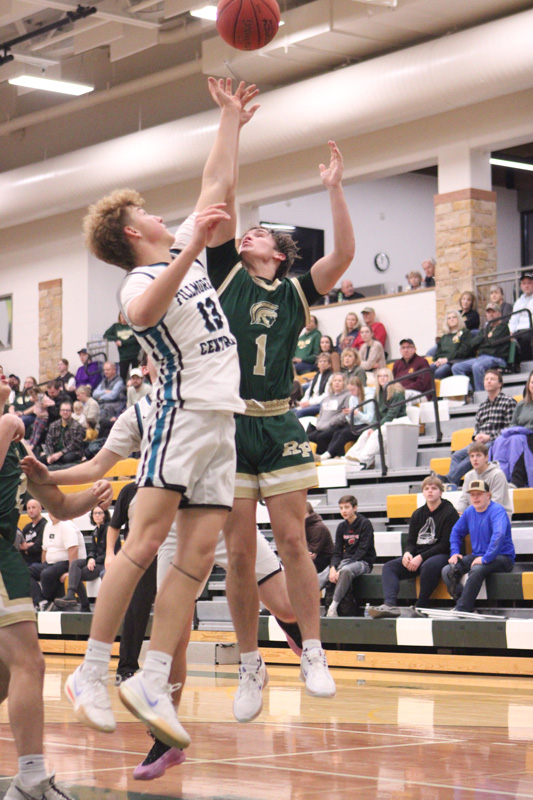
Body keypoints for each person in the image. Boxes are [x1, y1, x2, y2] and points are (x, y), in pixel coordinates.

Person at [60, 80, 258, 750]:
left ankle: (149, 675)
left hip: (220, 421)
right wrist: (194, 248)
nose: (165, 217)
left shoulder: (181, 256)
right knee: (143, 545)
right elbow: (140, 318)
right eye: (150, 213)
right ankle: (89, 671)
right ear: (131, 230)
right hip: (181, 414)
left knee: (197, 558)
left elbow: (216, 184)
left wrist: (229, 120)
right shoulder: (141, 278)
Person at [24, 355, 304, 780]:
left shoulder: (213, 386)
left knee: (284, 605)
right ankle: (166, 738)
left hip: (222, 511)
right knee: (173, 637)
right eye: (155, 358)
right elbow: (99, 464)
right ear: (149, 366)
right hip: (174, 522)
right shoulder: (139, 412)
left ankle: (279, 642)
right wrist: (52, 476)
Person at [201, 79, 354, 718]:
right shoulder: (225, 273)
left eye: (259, 233)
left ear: (278, 252)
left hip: (280, 420)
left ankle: (313, 650)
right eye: (246, 231)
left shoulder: (293, 291)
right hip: (231, 425)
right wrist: (232, 123)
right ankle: (249, 664)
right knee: (239, 551)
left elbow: (343, 254)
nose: (247, 234)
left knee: (292, 540)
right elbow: (221, 193)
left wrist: (335, 189)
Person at [0, 370, 112, 800]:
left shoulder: (17, 442)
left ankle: (27, 780)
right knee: (30, 664)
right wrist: (7, 425)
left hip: (4, 556)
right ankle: (30, 778)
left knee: (7, 675)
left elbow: (60, 506)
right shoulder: (9, 428)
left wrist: (96, 494)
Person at [368, 475, 459, 618]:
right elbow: (411, 541)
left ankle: (421, 606)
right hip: (419, 555)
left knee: (427, 565)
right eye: (426, 488)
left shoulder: (449, 512)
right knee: (389, 567)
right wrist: (408, 553)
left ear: (441, 492)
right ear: (423, 492)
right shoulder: (418, 514)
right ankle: (390, 605)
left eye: (434, 488)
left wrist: (421, 557)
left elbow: (445, 544)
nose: (430, 491)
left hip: (441, 555)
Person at [442, 480, 515, 612]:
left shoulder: (497, 511)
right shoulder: (469, 511)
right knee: (448, 571)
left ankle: (462, 608)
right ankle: (464, 604)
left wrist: (485, 558)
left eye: (479, 494)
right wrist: (455, 552)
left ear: (488, 495)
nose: (475, 497)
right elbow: (456, 532)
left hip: (502, 557)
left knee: (476, 570)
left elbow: (499, 536)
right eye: (472, 494)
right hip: (478, 555)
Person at [439, 369, 516, 486]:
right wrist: (476, 436)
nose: (488, 381)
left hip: (497, 441)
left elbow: (509, 428)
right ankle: (452, 483)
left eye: (492, 379)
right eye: (486, 379)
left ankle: (449, 480)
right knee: (456, 456)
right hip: (480, 441)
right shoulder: (482, 406)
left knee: (476, 453)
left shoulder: (509, 402)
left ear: (500, 384)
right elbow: (477, 428)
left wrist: (489, 437)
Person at [318, 495, 375, 618]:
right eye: (341, 508)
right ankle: (304, 603)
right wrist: (333, 567)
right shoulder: (341, 527)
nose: (343, 511)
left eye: (347, 507)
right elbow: (337, 552)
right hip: (344, 561)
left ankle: (333, 608)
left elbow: (362, 551)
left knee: (345, 571)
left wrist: (341, 567)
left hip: (362, 562)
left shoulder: (365, 524)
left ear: (355, 508)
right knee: (325, 573)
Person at [345, 367, 406, 470]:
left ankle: (363, 459)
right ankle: (350, 457)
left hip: (397, 422)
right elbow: (376, 415)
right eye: (380, 376)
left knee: (377, 434)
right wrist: (372, 427)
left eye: (385, 376)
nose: (382, 378)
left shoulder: (397, 392)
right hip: (384, 422)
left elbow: (391, 415)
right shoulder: (378, 393)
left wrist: (376, 428)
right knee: (365, 434)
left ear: (390, 377)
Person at [54, 506, 110, 612]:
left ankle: (84, 605)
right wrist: (90, 558)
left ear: (105, 515)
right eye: (95, 513)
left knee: (76, 573)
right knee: (75, 564)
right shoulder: (95, 531)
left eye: (100, 513)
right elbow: (93, 550)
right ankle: (71, 594)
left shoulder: (109, 530)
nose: (97, 515)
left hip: (105, 563)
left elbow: (111, 552)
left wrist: (94, 560)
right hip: (96, 561)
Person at [29, 514, 86, 611]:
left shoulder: (67, 525)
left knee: (46, 574)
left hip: (67, 562)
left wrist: (71, 571)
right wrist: (44, 565)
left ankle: (49, 602)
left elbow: (73, 549)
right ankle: (41, 601)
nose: (53, 514)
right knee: (25, 571)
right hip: (51, 563)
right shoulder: (48, 526)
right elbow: (44, 550)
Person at [452, 303, 510, 391]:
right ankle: (470, 392)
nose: (490, 314)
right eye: (488, 312)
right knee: (456, 367)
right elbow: (473, 343)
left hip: (496, 357)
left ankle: (481, 394)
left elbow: (492, 342)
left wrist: (483, 340)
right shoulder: (485, 329)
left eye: (493, 312)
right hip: (482, 357)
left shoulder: (503, 327)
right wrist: (485, 339)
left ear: (499, 313)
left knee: (477, 366)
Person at [319, 376, 374, 460]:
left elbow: (369, 419)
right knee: (337, 432)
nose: (351, 393)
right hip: (355, 424)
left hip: (366, 425)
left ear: (359, 388)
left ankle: (328, 454)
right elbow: (351, 420)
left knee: (344, 434)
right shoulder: (352, 398)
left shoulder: (368, 398)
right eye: (349, 390)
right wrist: (348, 414)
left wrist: (357, 413)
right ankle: (332, 455)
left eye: (353, 390)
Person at [457, 443, 512, 520]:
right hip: (475, 516)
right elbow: (464, 499)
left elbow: (496, 502)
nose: (475, 459)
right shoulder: (469, 476)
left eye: (478, 455)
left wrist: (470, 513)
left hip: (497, 517)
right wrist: (458, 512)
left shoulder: (497, 474)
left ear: (486, 458)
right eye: (472, 456)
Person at [307, 373, 350, 455]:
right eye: (335, 381)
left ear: (344, 383)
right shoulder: (327, 398)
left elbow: (345, 414)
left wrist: (331, 423)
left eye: (339, 381)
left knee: (321, 437)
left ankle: (322, 457)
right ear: (331, 383)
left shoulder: (347, 396)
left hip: (336, 426)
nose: (337, 383)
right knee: (308, 437)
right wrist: (319, 424)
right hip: (321, 426)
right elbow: (321, 413)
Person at [39, 401, 85, 466]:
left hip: (71, 452)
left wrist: (60, 453)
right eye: (63, 410)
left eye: (67, 410)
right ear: (60, 412)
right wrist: (49, 455)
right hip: (55, 453)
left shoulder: (78, 427)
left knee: (67, 458)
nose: (65, 412)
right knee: (40, 460)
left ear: (71, 412)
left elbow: (75, 445)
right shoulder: (53, 425)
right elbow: (48, 441)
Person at [431, 310, 473, 380]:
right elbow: (437, 353)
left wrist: (447, 359)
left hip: (456, 361)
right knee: (429, 369)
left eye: (454, 317)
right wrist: (438, 360)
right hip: (443, 362)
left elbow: (464, 351)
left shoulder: (465, 333)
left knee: (440, 372)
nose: (452, 319)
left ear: (459, 319)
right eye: (449, 318)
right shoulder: (444, 337)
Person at [103, 312, 141, 382]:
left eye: (124, 317)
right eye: (121, 317)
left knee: (136, 374)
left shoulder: (132, 325)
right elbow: (106, 336)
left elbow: (136, 338)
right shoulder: (116, 326)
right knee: (122, 376)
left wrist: (122, 342)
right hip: (123, 356)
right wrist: (116, 339)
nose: (123, 319)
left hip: (135, 355)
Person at [294, 352, 333, 418]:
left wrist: (309, 403)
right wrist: (302, 402)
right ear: (318, 365)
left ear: (329, 364)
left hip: (320, 404)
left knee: (299, 413)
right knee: (292, 412)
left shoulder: (331, 376)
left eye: (325, 361)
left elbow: (326, 395)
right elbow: (308, 392)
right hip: (311, 402)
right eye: (321, 361)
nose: (322, 363)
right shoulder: (317, 376)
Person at [92, 361, 126, 426]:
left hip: (115, 405)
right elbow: (94, 394)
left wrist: (100, 397)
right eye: (104, 370)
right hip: (103, 404)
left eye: (108, 370)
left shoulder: (119, 381)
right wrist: (104, 391)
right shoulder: (103, 381)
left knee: (105, 410)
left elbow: (112, 395)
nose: (105, 372)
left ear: (114, 370)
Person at [509, 272, 533, 361]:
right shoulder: (519, 301)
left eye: (529, 283)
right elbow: (514, 318)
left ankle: (527, 362)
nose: (527, 286)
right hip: (519, 331)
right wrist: (511, 332)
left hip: (530, 329)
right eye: (524, 283)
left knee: (524, 338)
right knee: (505, 339)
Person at [304, 501, 334, 573]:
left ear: (309, 513)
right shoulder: (302, 526)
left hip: (324, 559)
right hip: (311, 557)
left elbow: (312, 553)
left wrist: (300, 534)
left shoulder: (318, 527)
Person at [19, 499, 46, 567]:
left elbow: (38, 546)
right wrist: (29, 545)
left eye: (33, 507)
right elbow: (19, 545)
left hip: (37, 562)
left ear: (40, 509)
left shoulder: (45, 525)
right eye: (28, 508)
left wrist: (27, 549)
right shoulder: (27, 527)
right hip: (25, 561)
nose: (31, 510)